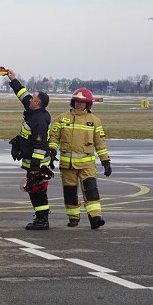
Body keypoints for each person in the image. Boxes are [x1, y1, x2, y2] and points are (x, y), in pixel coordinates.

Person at [48, 87, 111, 229]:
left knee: (91, 190)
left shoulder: (94, 121)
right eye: (76, 101)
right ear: (72, 102)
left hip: (87, 165)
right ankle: (73, 218)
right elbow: (54, 137)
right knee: (70, 193)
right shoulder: (62, 118)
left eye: (82, 102)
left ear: (88, 104)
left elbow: (100, 143)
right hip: (67, 166)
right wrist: (51, 152)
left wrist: (105, 161)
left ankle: (95, 218)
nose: (79, 104)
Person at [7, 70, 53, 230]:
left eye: (33, 98)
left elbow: (40, 146)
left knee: (37, 191)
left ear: (37, 103)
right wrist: (13, 80)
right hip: (32, 163)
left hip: (38, 164)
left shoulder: (39, 120)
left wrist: (35, 168)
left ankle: (42, 220)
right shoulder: (34, 110)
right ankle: (41, 218)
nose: (30, 99)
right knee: (34, 191)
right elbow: (23, 95)